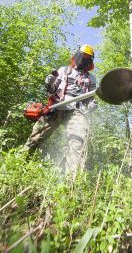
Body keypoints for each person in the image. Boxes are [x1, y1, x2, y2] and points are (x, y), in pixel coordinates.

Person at [24, 44, 97, 179]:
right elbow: (52, 90)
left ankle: (72, 180)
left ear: (91, 61)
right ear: (77, 55)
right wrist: (49, 84)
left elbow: (89, 100)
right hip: (56, 108)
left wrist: (92, 106)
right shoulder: (64, 70)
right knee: (36, 137)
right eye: (83, 55)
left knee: (77, 142)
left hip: (77, 112)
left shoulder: (91, 79)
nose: (84, 59)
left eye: (88, 57)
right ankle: (20, 163)